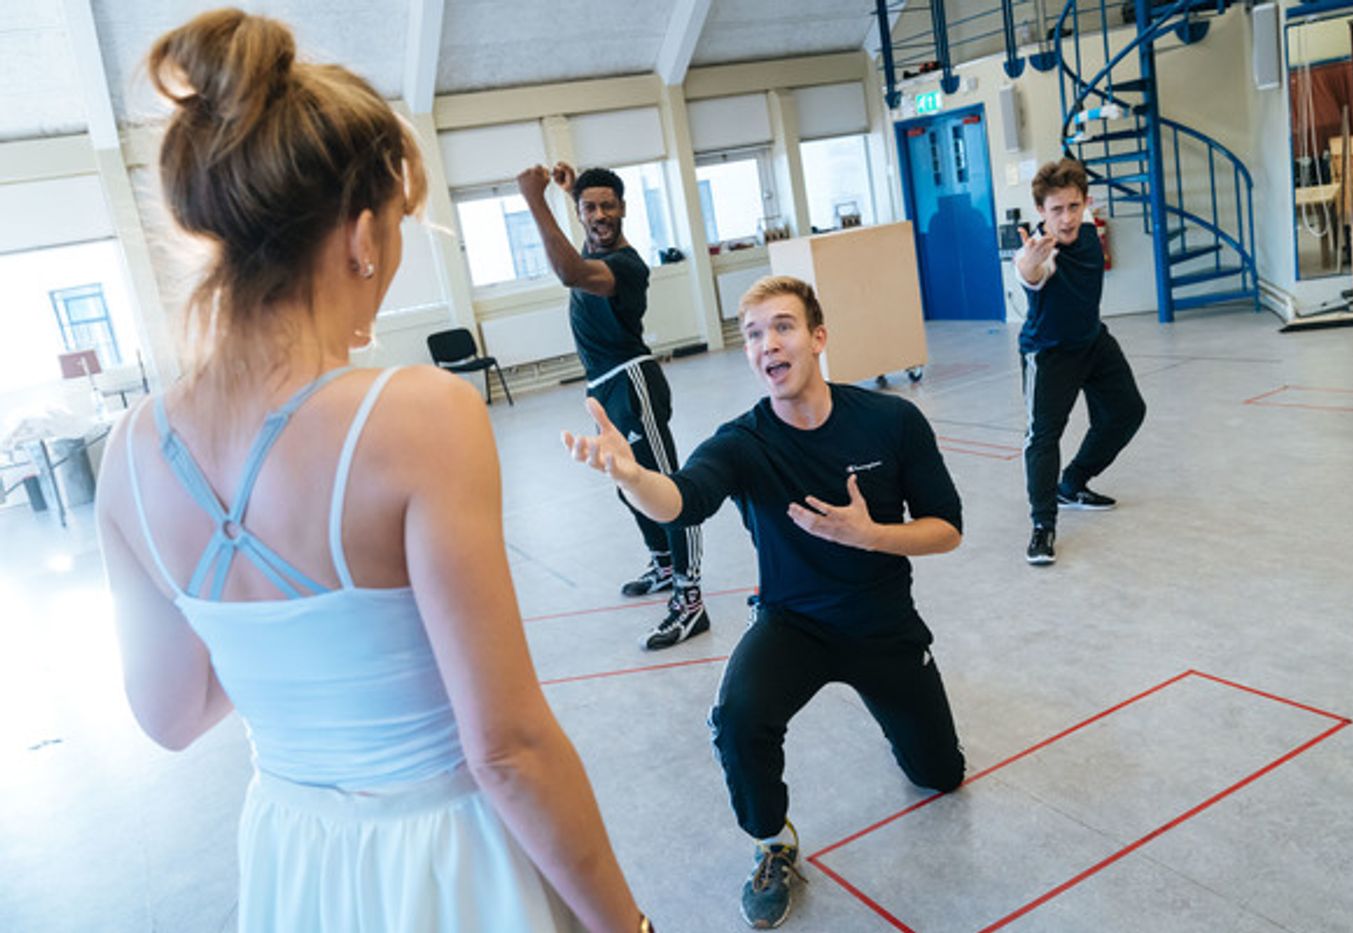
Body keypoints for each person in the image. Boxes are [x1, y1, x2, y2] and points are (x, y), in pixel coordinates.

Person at [95, 10, 651, 932]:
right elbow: (506, 748)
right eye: (398, 225)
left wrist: (281, 636)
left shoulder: (127, 452)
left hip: (294, 858)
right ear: (360, 234)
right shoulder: (420, 415)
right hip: (443, 861)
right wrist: (627, 924)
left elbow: (171, 712)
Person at [562, 275, 966, 929]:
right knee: (737, 718)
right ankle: (773, 842)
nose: (766, 344)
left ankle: (910, 728)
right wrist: (634, 476)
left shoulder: (891, 421)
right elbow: (684, 497)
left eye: (782, 326)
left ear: (817, 337)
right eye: (752, 334)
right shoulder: (743, 441)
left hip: (882, 622)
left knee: (941, 775)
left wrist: (871, 535)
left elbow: (947, 528)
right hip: (793, 622)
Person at [517, 161, 708, 651]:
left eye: (608, 205)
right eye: (589, 207)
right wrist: (566, 193)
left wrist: (535, 201)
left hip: (632, 382)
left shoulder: (623, 266)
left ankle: (691, 602)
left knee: (664, 489)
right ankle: (664, 567)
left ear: (624, 209)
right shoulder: (591, 242)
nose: (599, 215)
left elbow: (568, 272)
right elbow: (578, 245)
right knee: (628, 486)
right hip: (603, 388)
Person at [1015, 158, 1147, 566]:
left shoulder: (1086, 224)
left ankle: (1071, 483)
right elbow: (1029, 271)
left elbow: (1076, 202)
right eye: (1056, 210)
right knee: (1043, 437)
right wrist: (1031, 260)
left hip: (1092, 340)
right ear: (1041, 211)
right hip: (1050, 353)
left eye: (1074, 207)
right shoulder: (1042, 252)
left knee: (1128, 411)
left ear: (1085, 203)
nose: (1067, 219)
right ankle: (1042, 525)